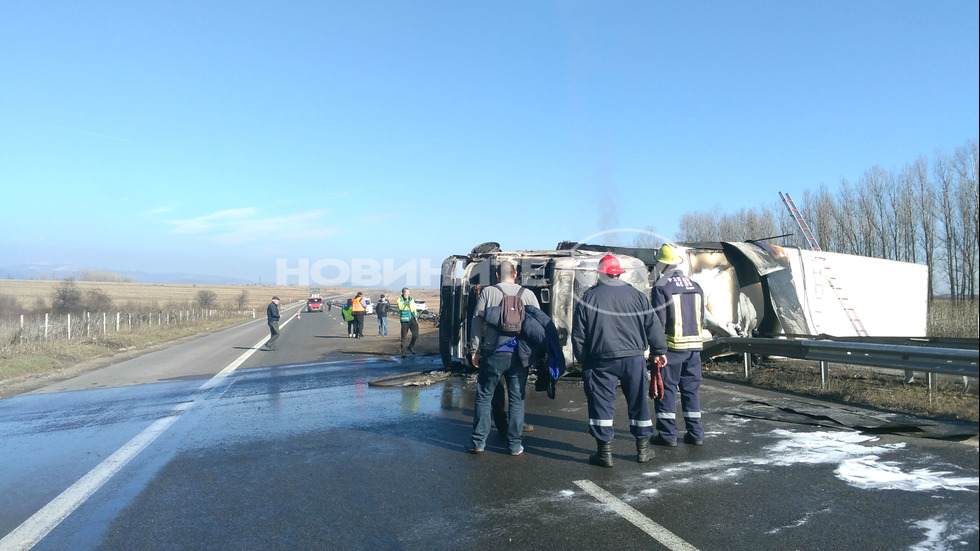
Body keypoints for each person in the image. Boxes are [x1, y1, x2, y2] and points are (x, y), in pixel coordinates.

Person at [572, 254, 668, 467]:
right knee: (638, 402)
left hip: (601, 360)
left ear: (601, 274)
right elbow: (652, 325)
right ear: (618, 273)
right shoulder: (637, 296)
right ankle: (643, 449)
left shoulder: (589, 298)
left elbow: (579, 335)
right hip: (634, 358)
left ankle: (604, 453)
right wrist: (659, 351)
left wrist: (583, 360)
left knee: (601, 403)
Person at [466, 261, 540, 456]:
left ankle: (478, 442)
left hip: (493, 352)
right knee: (517, 399)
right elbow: (537, 328)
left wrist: (474, 351)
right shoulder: (528, 295)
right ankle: (515, 445)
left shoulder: (488, 293)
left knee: (484, 396)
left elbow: (476, 323)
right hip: (519, 355)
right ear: (515, 275)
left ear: (497, 276)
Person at [650, 243, 707, 447]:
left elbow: (658, 322)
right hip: (695, 348)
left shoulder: (661, 287)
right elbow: (701, 319)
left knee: (667, 390)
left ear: (663, 265)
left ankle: (667, 435)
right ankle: (696, 433)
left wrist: (656, 350)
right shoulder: (695, 285)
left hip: (672, 349)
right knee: (691, 390)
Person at [397, 288, 420, 355]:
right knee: (404, 336)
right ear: (403, 293)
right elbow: (401, 307)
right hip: (405, 320)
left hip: (413, 319)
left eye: (409, 292)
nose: (408, 294)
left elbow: (414, 310)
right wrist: (406, 301)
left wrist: (416, 319)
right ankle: (403, 351)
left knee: (416, 335)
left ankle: (411, 346)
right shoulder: (399, 300)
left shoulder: (412, 300)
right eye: (407, 292)